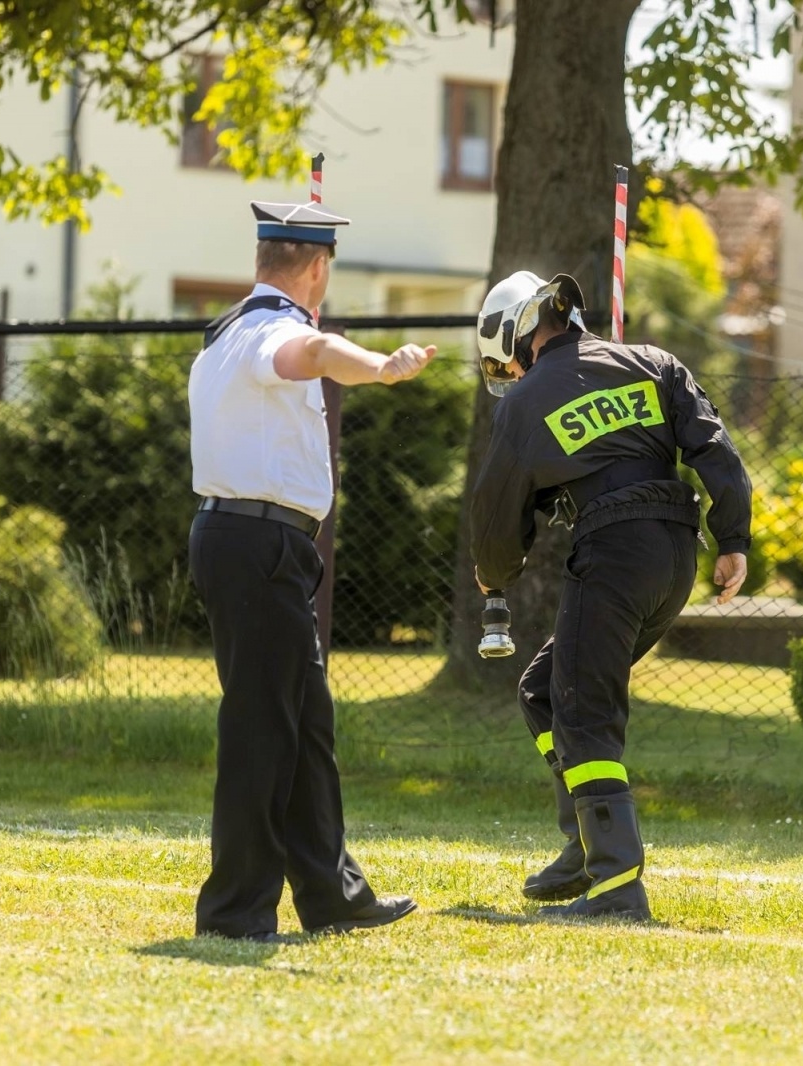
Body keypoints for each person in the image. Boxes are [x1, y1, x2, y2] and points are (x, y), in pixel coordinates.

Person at [469, 270, 752, 921]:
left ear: (512, 336)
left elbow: (497, 512)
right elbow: (715, 446)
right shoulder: (652, 361)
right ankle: (583, 839)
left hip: (613, 553)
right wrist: (732, 537)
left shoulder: (524, 401)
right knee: (546, 690)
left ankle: (617, 886)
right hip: (676, 558)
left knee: (583, 709)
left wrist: (494, 575)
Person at [188, 199, 434, 940]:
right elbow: (317, 357)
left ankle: (332, 894)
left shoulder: (224, 334)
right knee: (264, 728)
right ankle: (235, 910)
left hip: (249, 543)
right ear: (318, 269)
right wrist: (383, 369)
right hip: (260, 546)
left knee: (305, 725)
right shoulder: (276, 332)